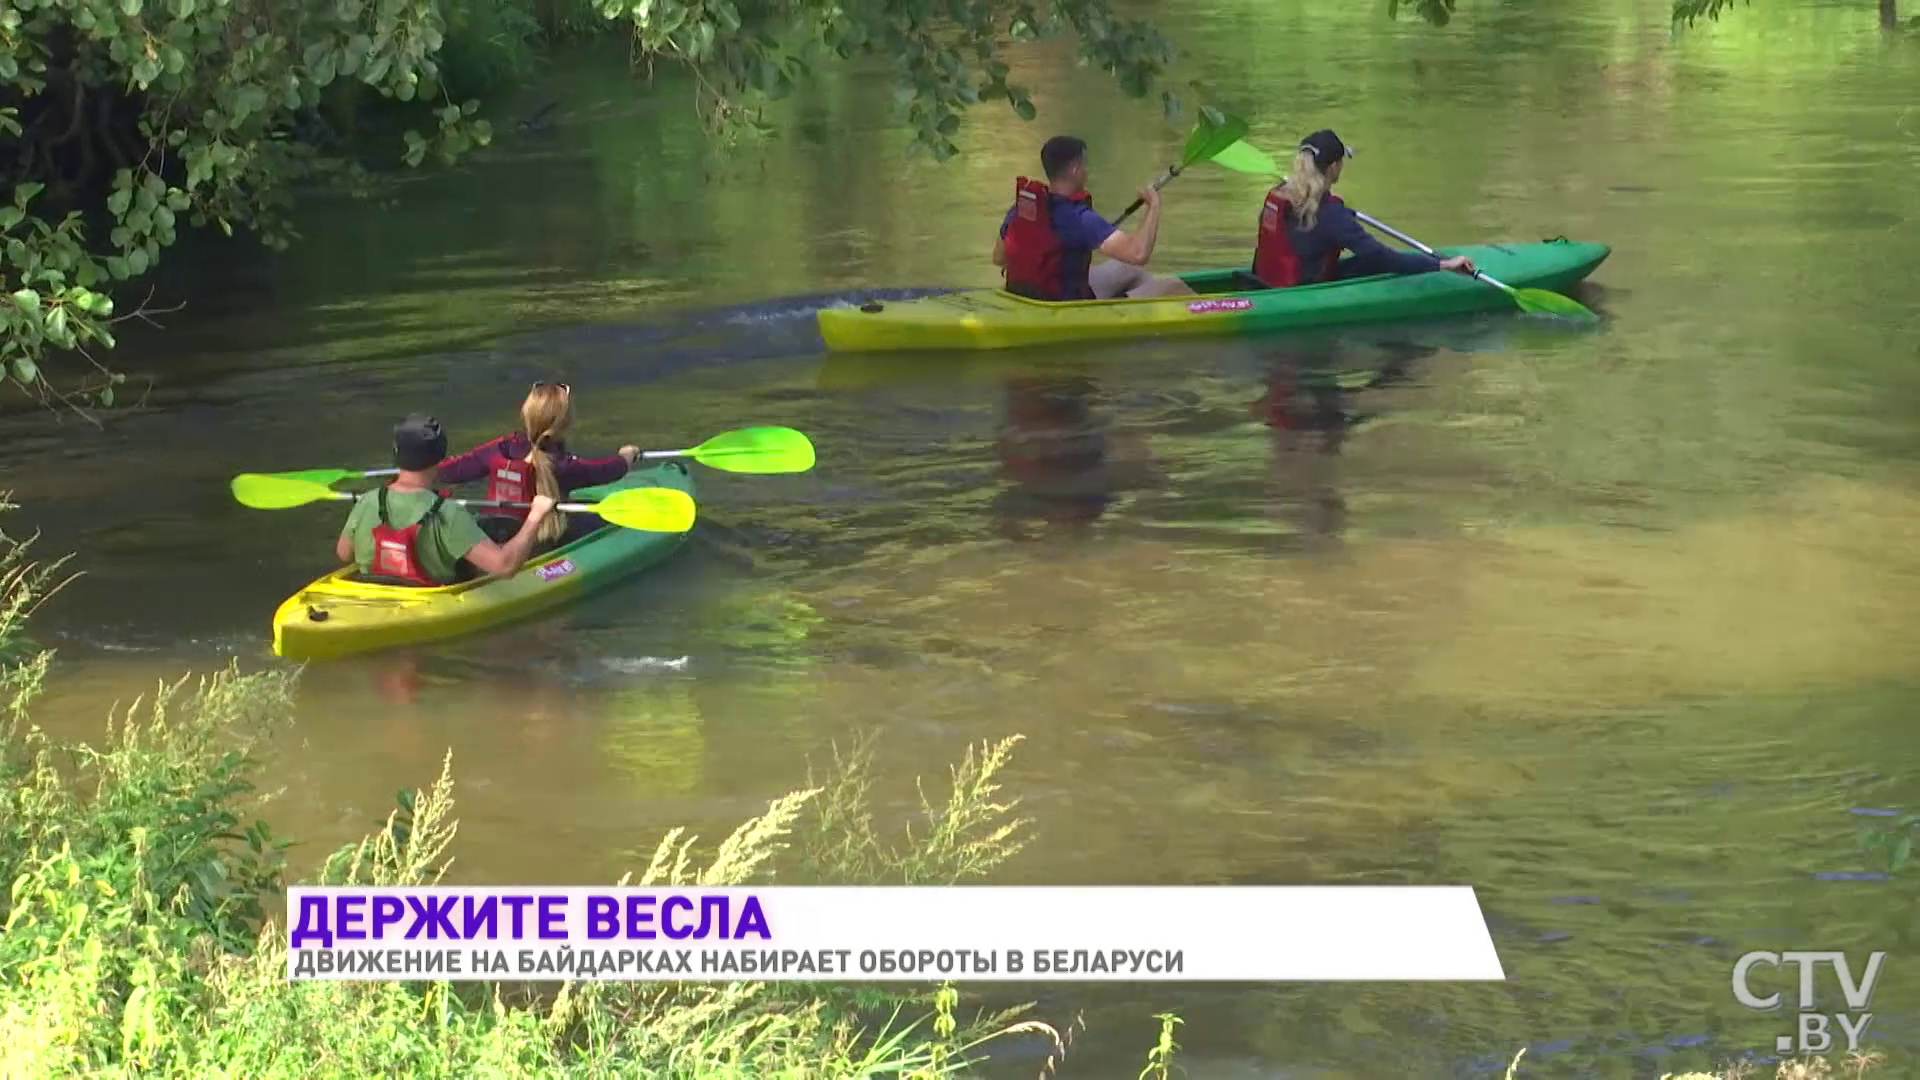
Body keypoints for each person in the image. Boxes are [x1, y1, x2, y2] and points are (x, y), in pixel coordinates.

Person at [335, 414, 558, 586]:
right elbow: (504, 567)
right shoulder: (448, 514)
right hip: (427, 599)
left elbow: (344, 553)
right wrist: (536, 515)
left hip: (370, 592)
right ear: (440, 456)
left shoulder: (367, 501)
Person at [1249, 129, 1478, 289]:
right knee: (1376, 261)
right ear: (1334, 167)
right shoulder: (1332, 215)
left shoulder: (1280, 193)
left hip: (1266, 281)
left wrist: (1341, 216)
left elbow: (1311, 230)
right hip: (1301, 289)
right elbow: (1383, 258)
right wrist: (1442, 264)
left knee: (1362, 263)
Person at [436, 381, 639, 550]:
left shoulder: (503, 448)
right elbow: (609, 470)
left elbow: (449, 472)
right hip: (541, 539)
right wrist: (628, 455)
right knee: (606, 524)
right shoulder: (565, 466)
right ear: (566, 422)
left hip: (496, 531)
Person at [992, 135, 1194, 302]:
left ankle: (1142, 307)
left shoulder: (1023, 208)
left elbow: (998, 258)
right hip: (1066, 306)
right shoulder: (1079, 218)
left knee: (1126, 268)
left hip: (1028, 297)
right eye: (1084, 164)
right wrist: (1154, 205)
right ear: (1074, 170)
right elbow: (1139, 254)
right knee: (1174, 286)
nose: (1087, 171)